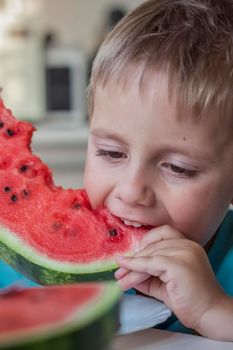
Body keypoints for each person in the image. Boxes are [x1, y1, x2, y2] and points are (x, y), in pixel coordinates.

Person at [84, 0, 233, 341]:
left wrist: (214, 310)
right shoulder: (28, 267)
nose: (132, 189)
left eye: (178, 168)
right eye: (111, 152)